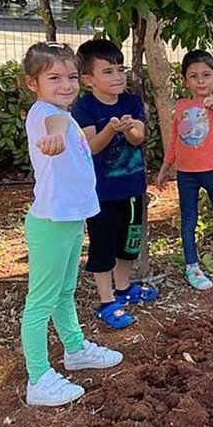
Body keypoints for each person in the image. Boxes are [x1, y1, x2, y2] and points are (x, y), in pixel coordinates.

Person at [21, 42, 123, 406]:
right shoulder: (46, 114)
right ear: (34, 83)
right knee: (40, 302)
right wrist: (54, 137)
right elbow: (55, 124)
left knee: (64, 293)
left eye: (69, 77)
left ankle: (75, 350)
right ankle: (38, 379)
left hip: (67, 220)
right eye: (53, 77)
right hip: (51, 223)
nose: (65, 84)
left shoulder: (62, 111)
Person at [72, 39, 155, 330]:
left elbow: (139, 138)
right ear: (88, 79)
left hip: (133, 191)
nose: (117, 76)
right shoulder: (84, 108)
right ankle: (107, 301)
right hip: (101, 196)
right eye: (107, 71)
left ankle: (124, 289)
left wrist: (131, 128)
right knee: (103, 248)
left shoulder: (132, 102)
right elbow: (92, 147)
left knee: (128, 246)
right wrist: (110, 128)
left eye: (120, 69)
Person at [156, 50, 213, 288]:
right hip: (186, 173)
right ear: (185, 81)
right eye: (193, 76)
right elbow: (175, 139)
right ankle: (192, 266)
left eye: (206, 75)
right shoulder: (181, 106)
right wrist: (165, 167)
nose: (200, 80)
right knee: (188, 220)